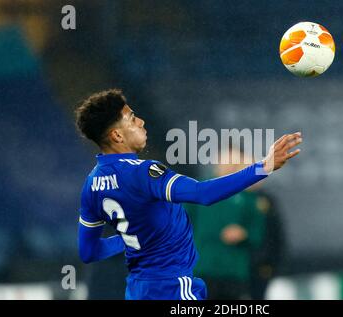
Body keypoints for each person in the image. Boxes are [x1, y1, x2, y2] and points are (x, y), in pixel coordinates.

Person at [74, 88, 302, 300]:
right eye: (132, 119)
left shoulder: (91, 184)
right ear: (117, 136)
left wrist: (131, 240)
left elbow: (89, 251)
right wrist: (264, 166)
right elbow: (203, 193)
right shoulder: (145, 172)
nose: (141, 122)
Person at [186, 149, 267, 299]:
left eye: (234, 162)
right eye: (226, 160)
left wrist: (244, 234)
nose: (229, 165)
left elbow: (258, 234)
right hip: (202, 268)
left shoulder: (248, 196)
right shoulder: (197, 189)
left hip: (233, 271)